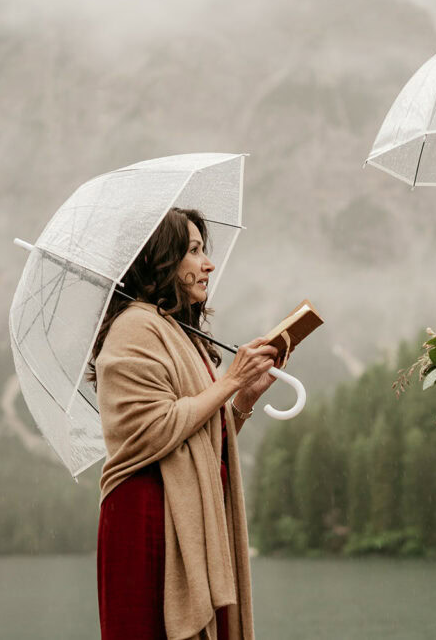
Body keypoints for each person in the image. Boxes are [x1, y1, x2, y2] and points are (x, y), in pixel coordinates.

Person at [91, 207, 278, 640]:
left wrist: (243, 399)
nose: (208, 264)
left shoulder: (177, 331)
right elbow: (157, 429)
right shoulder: (134, 326)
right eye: (194, 251)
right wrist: (231, 379)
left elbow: (195, 433)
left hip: (179, 512)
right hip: (148, 517)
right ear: (162, 259)